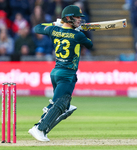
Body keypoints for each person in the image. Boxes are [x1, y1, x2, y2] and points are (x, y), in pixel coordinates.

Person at [28, 5, 93, 142]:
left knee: (63, 103)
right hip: (67, 74)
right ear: (68, 18)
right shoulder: (78, 35)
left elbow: (37, 28)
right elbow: (90, 44)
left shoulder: (54, 30)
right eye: (77, 18)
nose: (79, 21)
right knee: (56, 104)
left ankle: (65, 107)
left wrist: (55, 23)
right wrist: (79, 32)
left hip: (56, 72)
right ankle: (39, 128)